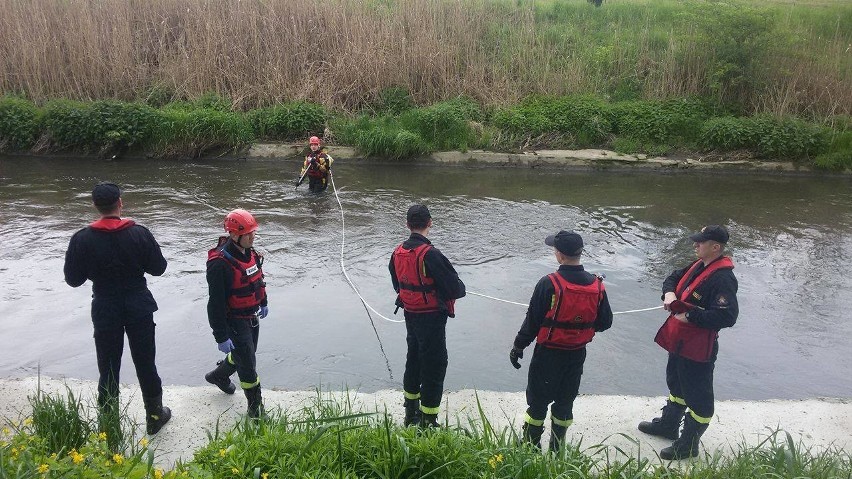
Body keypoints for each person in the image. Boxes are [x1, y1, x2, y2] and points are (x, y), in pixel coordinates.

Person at [63, 182, 171, 435]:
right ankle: (155, 417)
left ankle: (109, 425)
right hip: (138, 304)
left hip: (105, 306)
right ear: (120, 203)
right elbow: (159, 268)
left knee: (108, 366)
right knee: (146, 363)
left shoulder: (82, 239)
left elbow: (73, 280)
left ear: (95, 206)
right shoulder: (140, 233)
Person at [638, 225, 738, 460]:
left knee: (699, 397)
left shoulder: (723, 278)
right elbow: (672, 277)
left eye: (700, 242)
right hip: (680, 341)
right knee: (676, 384)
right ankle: (669, 425)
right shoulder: (699, 265)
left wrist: (692, 315)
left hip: (699, 348)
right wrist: (669, 294)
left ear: (715, 247)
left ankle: (689, 444)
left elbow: (728, 316)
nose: (695, 245)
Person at [509, 230, 613, 452]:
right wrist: (580, 327)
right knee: (565, 401)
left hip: (548, 354)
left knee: (537, 401)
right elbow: (606, 322)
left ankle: (530, 445)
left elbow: (532, 322)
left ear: (560, 255)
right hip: (576, 354)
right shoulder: (597, 285)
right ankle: (557, 448)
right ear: (579, 253)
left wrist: (518, 346)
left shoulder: (549, 283)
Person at [389, 204, 466, 428]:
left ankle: (410, 414)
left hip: (410, 316)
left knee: (413, 360)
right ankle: (428, 422)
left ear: (407, 225)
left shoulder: (397, 252)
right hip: (431, 319)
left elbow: (398, 284)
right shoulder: (431, 254)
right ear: (430, 223)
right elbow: (455, 289)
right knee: (434, 366)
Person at [204, 209, 269, 418]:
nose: (253, 236)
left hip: (252, 316)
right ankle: (256, 410)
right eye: (248, 233)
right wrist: (221, 336)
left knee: (245, 355)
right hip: (235, 320)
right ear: (234, 235)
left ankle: (218, 376)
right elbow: (215, 304)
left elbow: (258, 280)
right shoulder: (219, 265)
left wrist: (264, 302)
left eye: (253, 232)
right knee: (248, 365)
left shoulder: (250, 252)